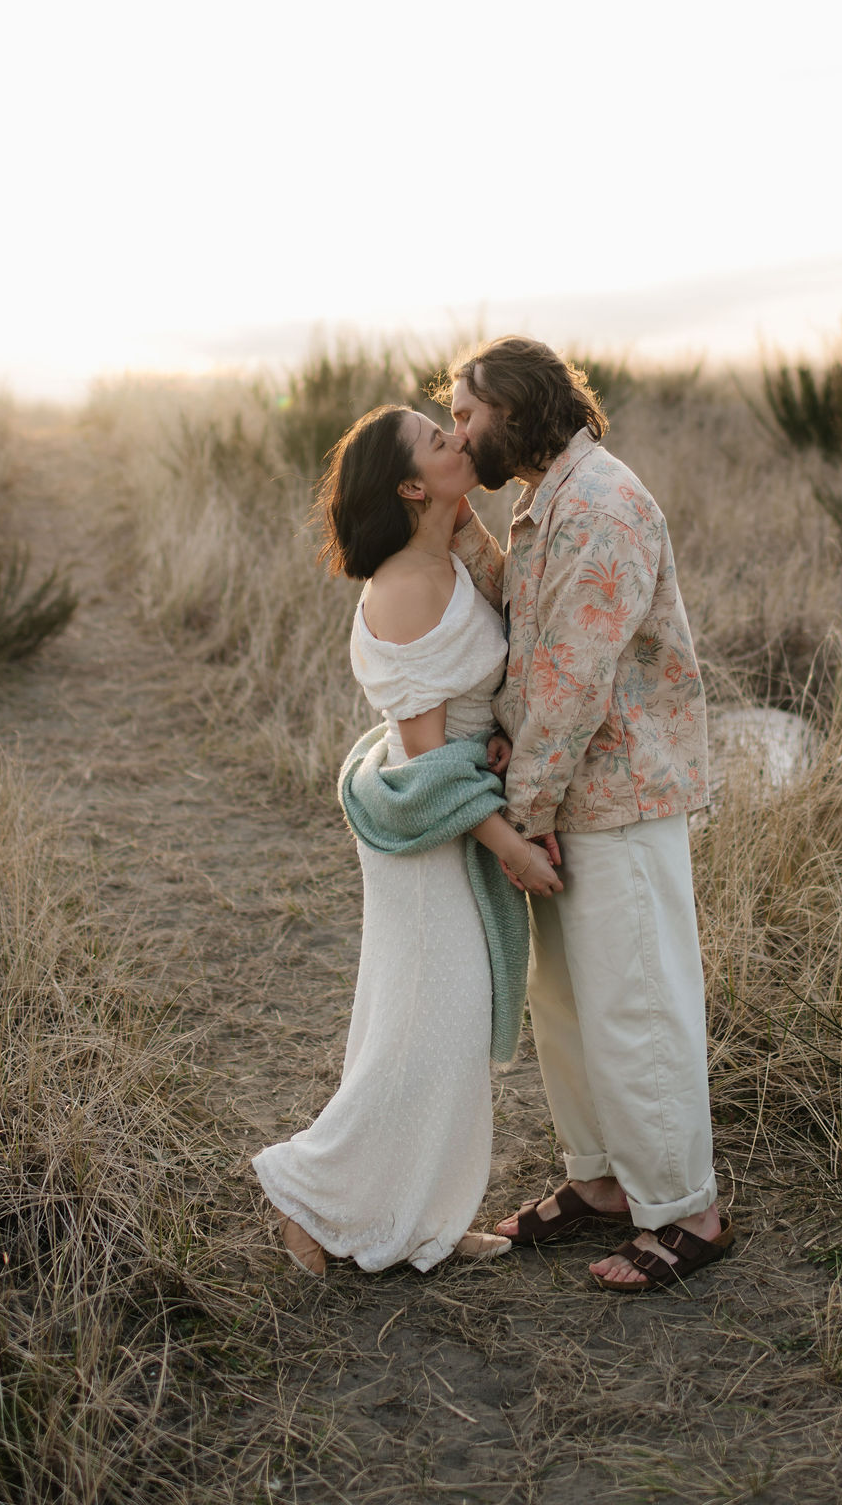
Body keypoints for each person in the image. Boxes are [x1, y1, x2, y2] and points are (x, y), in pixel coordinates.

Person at [440, 336, 734, 1292]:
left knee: (635, 1003)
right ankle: (603, 1182)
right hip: (565, 793)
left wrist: (522, 816)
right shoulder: (546, 496)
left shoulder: (601, 506)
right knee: (565, 1003)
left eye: (465, 413)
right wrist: (462, 538)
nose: (456, 430)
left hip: (615, 797)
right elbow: (536, 628)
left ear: (516, 410)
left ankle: (687, 1209)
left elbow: (570, 684)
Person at [252, 403, 562, 1278]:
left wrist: (494, 741)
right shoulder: (407, 585)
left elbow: (468, 709)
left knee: (439, 1030)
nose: (459, 439)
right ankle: (305, 1192)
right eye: (439, 439)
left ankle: (422, 1216)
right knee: (422, 1030)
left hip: (454, 808)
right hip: (428, 835)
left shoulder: (447, 556)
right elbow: (427, 770)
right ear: (412, 486)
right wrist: (514, 849)